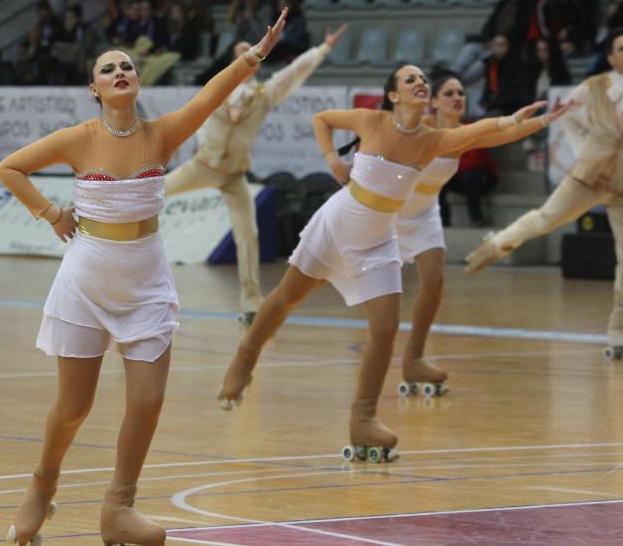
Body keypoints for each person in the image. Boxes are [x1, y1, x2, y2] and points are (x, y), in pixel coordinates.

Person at [0, 10, 288, 546]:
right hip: (87, 280)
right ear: (94, 87)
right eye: (108, 69)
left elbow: (210, 95)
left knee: (148, 399)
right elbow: (9, 168)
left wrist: (256, 54)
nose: (120, 72)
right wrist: (51, 213)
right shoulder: (77, 138)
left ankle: (119, 507)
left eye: (127, 66)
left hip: (147, 280)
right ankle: (43, 482)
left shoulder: (163, 133)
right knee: (73, 408)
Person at [218, 63, 544, 463]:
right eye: (411, 80)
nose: (421, 83)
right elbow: (321, 118)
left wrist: (512, 119)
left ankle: (364, 418)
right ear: (393, 95)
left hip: (377, 243)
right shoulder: (371, 120)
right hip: (338, 226)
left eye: (423, 79)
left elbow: (477, 133)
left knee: (386, 328)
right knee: (286, 298)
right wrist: (332, 162)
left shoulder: (431, 140)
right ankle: (246, 356)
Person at [396, 71, 572, 396]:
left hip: (424, 216)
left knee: (433, 283)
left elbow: (506, 134)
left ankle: (414, 357)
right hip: (388, 214)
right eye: (448, 93)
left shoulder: (465, 133)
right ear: (432, 101)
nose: (457, 98)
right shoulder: (416, 130)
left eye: (461, 92)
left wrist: (547, 119)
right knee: (353, 282)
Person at [165, 24, 346, 326]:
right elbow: (197, 120)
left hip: (235, 176)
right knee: (153, 192)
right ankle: (103, 219)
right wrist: (200, 146)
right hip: (202, 167)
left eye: (251, 50)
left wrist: (323, 48)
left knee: (247, 235)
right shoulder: (217, 89)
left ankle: (251, 303)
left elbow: (294, 72)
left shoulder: (264, 93)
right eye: (240, 51)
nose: (247, 53)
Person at [466, 29, 623, 361]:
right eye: (622, 49)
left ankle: (618, 333)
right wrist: (588, 153)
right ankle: (497, 244)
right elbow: (568, 120)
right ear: (610, 57)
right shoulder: (593, 88)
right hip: (588, 178)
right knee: (546, 219)